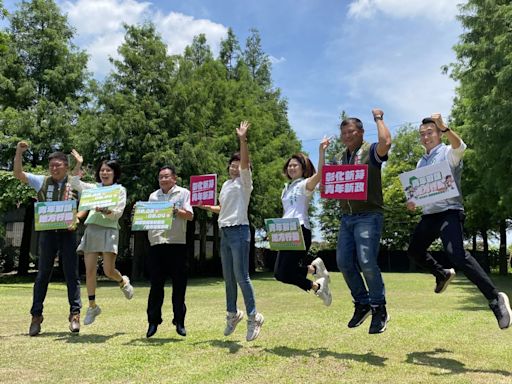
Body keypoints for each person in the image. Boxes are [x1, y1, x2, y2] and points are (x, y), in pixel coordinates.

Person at [406, 113, 512, 330]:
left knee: (457, 255)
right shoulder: (420, 161)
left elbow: (460, 147)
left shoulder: (447, 152)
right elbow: (420, 189)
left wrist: (445, 127)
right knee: (414, 251)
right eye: (422, 134)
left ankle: (495, 299)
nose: (426, 137)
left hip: (450, 212)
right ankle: (442, 273)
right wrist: (413, 200)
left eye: (430, 132)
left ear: (438, 133)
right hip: (429, 215)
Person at [199, 121, 264, 342]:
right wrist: (209, 207)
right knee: (228, 277)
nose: (234, 167)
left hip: (239, 231)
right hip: (224, 231)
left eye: (238, 164)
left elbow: (245, 164)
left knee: (241, 276)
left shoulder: (245, 182)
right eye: (231, 164)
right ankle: (232, 313)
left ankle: (254, 316)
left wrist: (242, 139)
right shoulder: (226, 185)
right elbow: (224, 209)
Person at [13, 141, 82, 336]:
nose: (54, 168)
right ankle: (36, 316)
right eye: (51, 165)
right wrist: (19, 152)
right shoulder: (41, 181)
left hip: (69, 233)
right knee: (42, 274)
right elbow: (18, 174)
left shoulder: (74, 183)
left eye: (57, 165)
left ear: (65, 167)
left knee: (71, 274)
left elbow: (86, 203)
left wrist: (77, 219)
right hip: (48, 234)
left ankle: (74, 314)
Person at [335, 109, 392, 334]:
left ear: (360, 132)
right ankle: (362, 303)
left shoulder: (370, 151)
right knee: (343, 262)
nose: (347, 136)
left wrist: (379, 118)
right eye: (344, 133)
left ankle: (379, 308)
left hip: (369, 214)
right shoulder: (340, 157)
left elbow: (386, 142)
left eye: (351, 132)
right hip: (347, 217)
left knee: (366, 261)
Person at [70, 150, 133, 326]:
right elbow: (74, 182)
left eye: (108, 171)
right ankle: (92, 307)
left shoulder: (120, 190)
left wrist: (105, 211)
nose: (104, 173)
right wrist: (78, 164)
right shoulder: (93, 188)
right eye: (102, 170)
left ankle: (122, 281)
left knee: (108, 271)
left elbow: (118, 213)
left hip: (109, 229)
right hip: (91, 229)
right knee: (89, 271)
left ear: (115, 173)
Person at [273, 138, 332, 307]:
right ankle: (315, 277)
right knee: (279, 274)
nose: (291, 168)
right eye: (289, 165)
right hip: (284, 231)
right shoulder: (286, 188)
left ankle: (316, 278)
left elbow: (320, 173)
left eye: (295, 165)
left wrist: (322, 151)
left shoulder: (305, 184)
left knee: (286, 272)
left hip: (299, 229)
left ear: (303, 168)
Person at [145, 165, 194, 338]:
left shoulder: (183, 193)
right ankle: (153, 322)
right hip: (157, 243)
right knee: (156, 285)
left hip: (177, 243)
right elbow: (148, 218)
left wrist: (175, 210)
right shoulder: (153, 196)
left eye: (166, 176)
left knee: (179, 285)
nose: (163, 180)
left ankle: (179, 321)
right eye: (160, 177)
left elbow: (190, 215)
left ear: (174, 178)